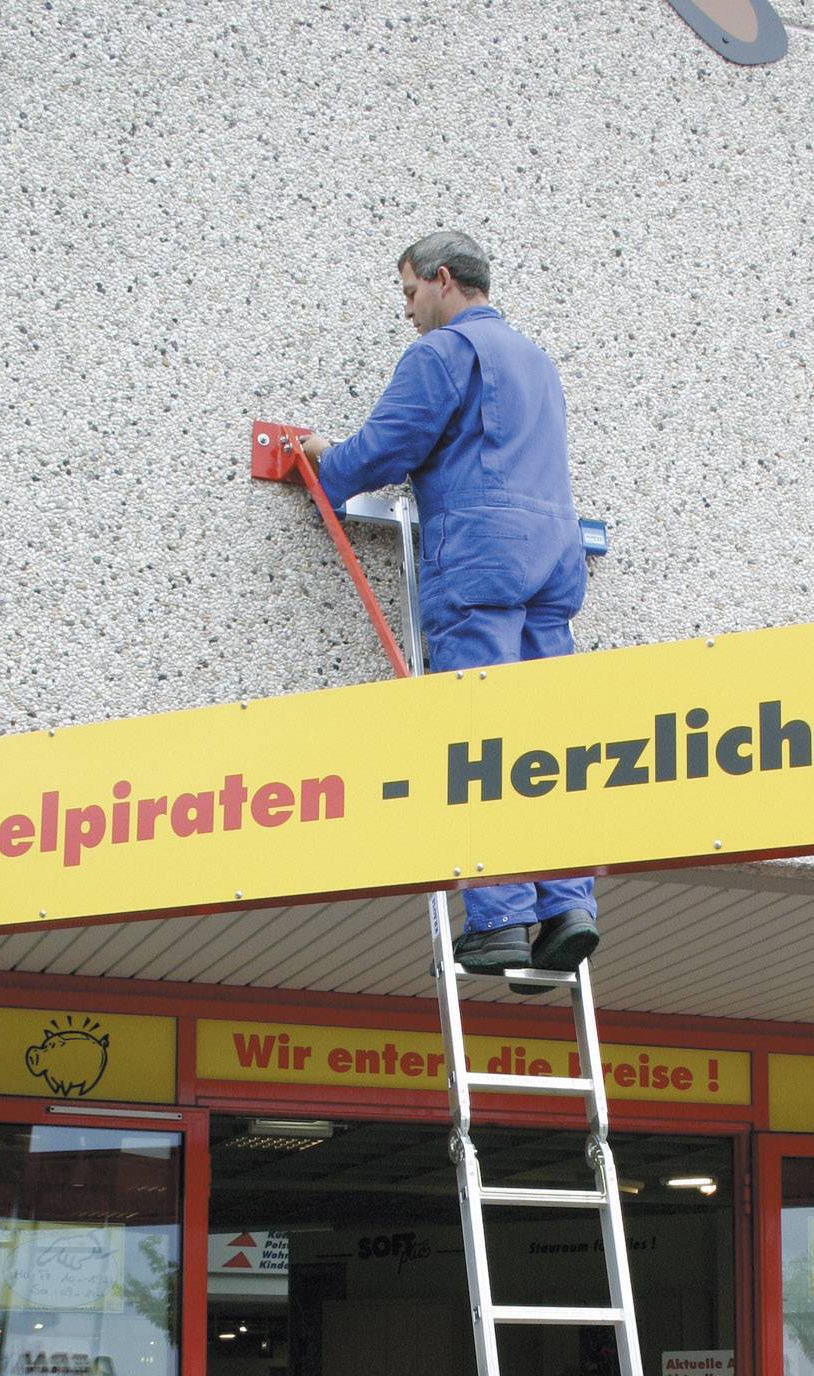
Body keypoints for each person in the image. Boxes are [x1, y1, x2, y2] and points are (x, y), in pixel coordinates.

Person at [301, 230, 599, 980]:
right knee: (544, 744)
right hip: (550, 561)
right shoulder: (536, 362)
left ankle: (498, 920)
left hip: (480, 559)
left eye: (408, 293)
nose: (407, 312)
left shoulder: (442, 354)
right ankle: (567, 906)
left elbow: (388, 446)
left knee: (483, 739)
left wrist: (321, 463)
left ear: (441, 280)